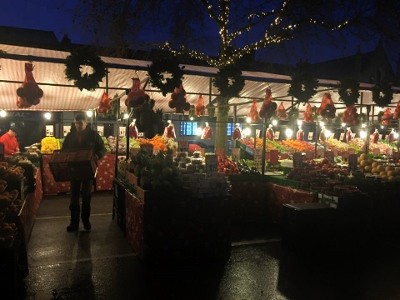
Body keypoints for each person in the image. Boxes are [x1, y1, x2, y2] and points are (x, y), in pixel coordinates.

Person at [62, 113, 106, 232]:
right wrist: (64, 156)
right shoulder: (70, 136)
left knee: (86, 196)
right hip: (74, 169)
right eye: (76, 123)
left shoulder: (93, 135)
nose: (78, 125)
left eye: (80, 123)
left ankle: (86, 221)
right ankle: (74, 223)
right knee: (74, 197)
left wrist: (97, 155)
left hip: (88, 170)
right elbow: (64, 150)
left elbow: (103, 148)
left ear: (86, 123)